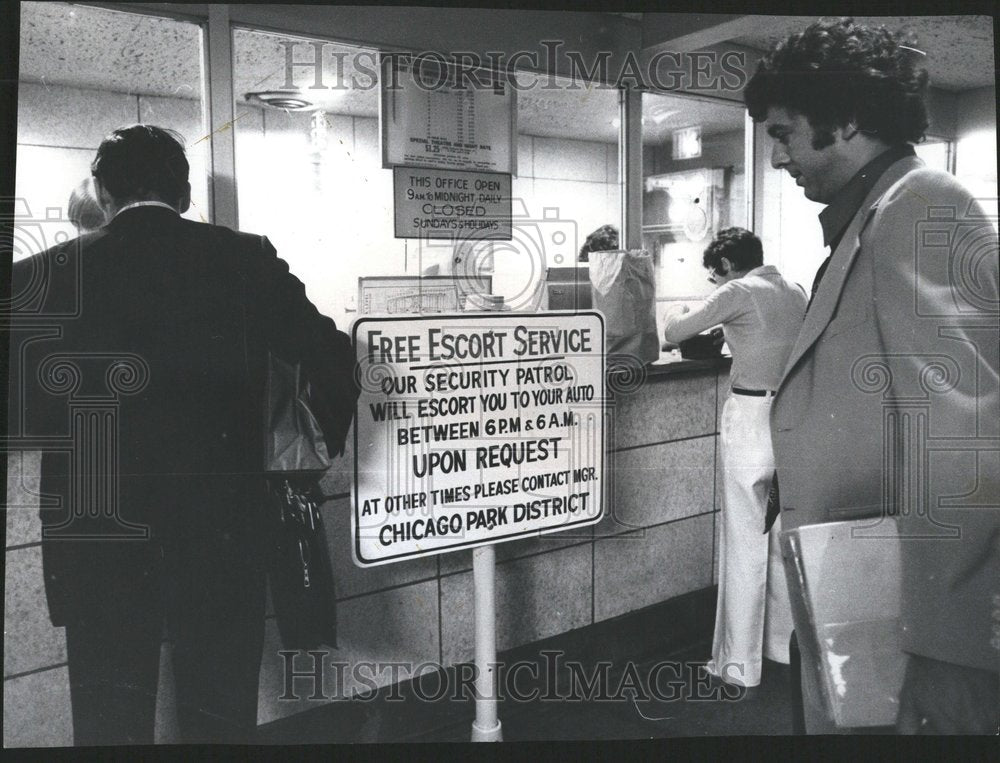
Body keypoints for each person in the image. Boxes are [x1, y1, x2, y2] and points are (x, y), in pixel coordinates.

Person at [9, 125, 357, 745]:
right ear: (187, 192)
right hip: (221, 535)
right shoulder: (245, 258)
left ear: (102, 192)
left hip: (97, 540)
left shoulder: (39, 275)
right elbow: (333, 357)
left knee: (109, 721)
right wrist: (311, 456)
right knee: (219, 716)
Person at [745, 17, 999, 734]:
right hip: (861, 584)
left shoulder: (923, 208)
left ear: (847, 122)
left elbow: (966, 442)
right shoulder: (873, 217)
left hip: (911, 614)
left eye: (785, 133)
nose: (779, 157)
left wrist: (952, 651)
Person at [663, 227, 807, 689]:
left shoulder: (738, 290)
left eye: (713, 274)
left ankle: (738, 665)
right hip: (790, 415)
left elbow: (673, 334)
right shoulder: (793, 289)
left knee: (744, 541)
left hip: (750, 417)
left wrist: (679, 310)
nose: (714, 281)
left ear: (725, 265)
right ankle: (783, 649)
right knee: (782, 536)